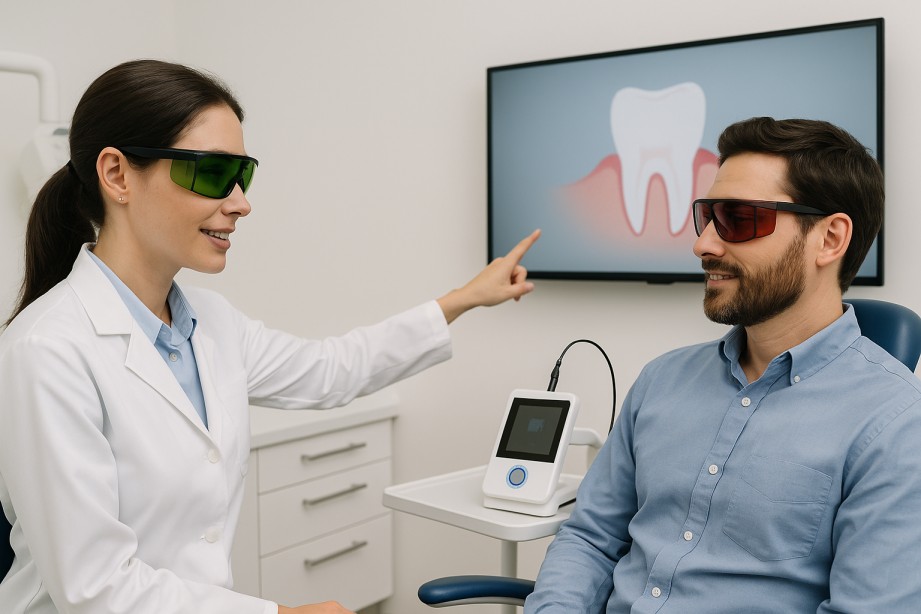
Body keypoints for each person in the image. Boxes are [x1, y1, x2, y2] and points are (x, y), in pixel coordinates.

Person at [0, 59, 540, 614]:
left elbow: (333, 369)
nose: (240, 202)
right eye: (212, 173)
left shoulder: (210, 323)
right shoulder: (48, 350)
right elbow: (95, 589)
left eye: (243, 175)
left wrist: (467, 297)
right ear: (116, 175)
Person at [526, 117, 921, 613]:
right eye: (707, 217)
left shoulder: (897, 424)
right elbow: (590, 537)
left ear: (830, 239)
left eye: (738, 218)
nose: (704, 244)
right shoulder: (661, 380)